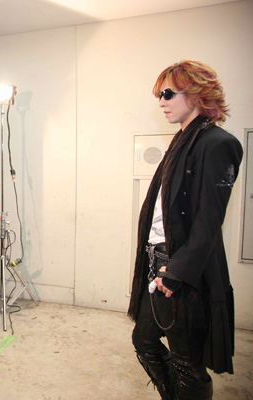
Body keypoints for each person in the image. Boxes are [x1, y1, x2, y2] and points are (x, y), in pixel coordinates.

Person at [128, 61, 243, 400]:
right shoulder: (182, 140)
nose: (161, 102)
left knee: (187, 362)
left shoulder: (216, 143)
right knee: (144, 341)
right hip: (158, 259)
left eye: (168, 93)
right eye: (158, 96)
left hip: (179, 268)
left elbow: (209, 220)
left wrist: (176, 271)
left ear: (196, 93)